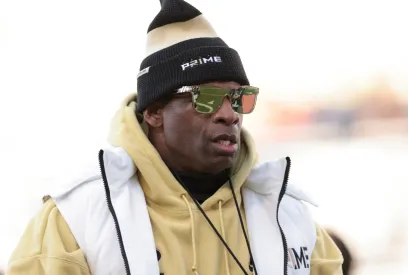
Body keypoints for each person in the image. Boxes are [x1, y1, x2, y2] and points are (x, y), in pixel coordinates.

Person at [7, 0, 343, 274]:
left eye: (240, 97)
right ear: (153, 112)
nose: (230, 114)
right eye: (206, 97)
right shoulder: (77, 219)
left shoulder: (288, 216)